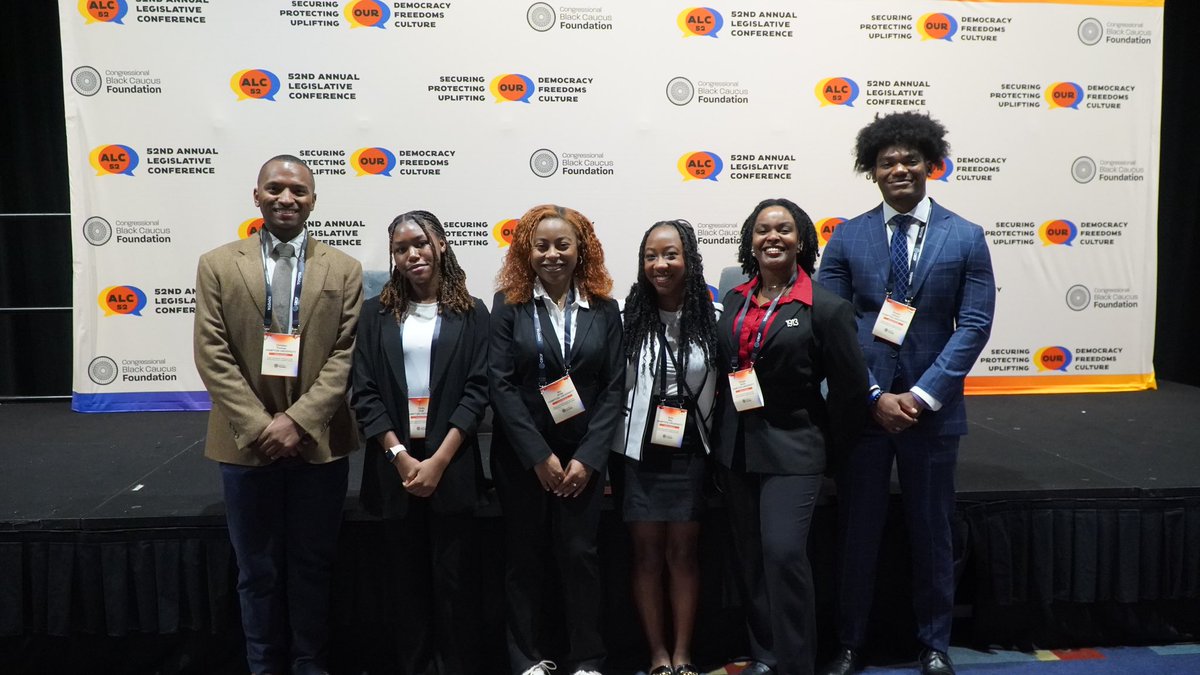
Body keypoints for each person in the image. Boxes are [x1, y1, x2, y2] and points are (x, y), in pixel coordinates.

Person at [817, 112, 996, 675]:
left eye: (909, 159)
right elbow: (833, 325)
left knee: (932, 531)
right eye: (887, 161)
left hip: (932, 414)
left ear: (929, 164)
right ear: (872, 171)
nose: (899, 168)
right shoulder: (847, 236)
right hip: (864, 412)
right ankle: (849, 643)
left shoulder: (965, 236)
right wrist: (871, 395)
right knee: (858, 533)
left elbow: (973, 325)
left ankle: (935, 644)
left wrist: (922, 395)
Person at [193, 154, 362, 675]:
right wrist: (262, 425)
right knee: (257, 572)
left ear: (313, 200)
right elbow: (211, 352)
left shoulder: (345, 269)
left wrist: (298, 422)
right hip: (245, 445)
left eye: (298, 191)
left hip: (320, 443)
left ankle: (311, 665)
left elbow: (345, 354)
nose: (286, 198)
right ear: (257, 195)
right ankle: (264, 668)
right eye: (275, 189)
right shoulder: (218, 263)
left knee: (313, 567)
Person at [713, 198, 867, 675]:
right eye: (762, 230)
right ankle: (765, 653)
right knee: (752, 557)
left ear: (801, 239)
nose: (772, 238)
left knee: (782, 554)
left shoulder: (826, 307)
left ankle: (796, 662)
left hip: (795, 448)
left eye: (783, 229)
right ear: (750, 241)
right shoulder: (735, 298)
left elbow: (850, 391)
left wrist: (831, 454)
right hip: (736, 447)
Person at [350, 210, 490, 674]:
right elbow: (365, 392)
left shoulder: (472, 313)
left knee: (455, 584)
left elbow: (477, 391)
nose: (412, 254)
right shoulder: (375, 315)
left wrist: (438, 460)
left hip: (452, 467)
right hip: (396, 471)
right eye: (401, 247)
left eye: (421, 243)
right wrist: (400, 456)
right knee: (405, 587)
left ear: (442, 245)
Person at [489, 204, 625, 675]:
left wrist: (588, 459)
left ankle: (587, 658)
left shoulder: (605, 309)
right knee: (523, 558)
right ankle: (527, 657)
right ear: (527, 250)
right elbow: (500, 385)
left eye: (562, 244)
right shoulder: (508, 305)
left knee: (579, 557)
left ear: (580, 249)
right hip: (523, 459)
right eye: (542, 245)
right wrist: (538, 456)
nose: (552, 254)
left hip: (582, 460)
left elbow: (613, 387)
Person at [615, 220, 721, 675]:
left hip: (691, 451)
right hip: (640, 452)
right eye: (651, 256)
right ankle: (657, 655)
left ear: (690, 260)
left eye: (671, 255)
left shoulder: (714, 320)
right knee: (645, 555)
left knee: (682, 554)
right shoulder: (626, 320)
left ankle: (683, 654)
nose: (660, 265)